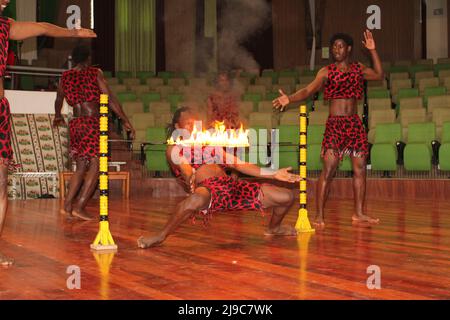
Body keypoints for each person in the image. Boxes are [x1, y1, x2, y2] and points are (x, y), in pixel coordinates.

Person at [0, 0, 96, 267]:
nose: (6, 1)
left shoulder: (5, 27)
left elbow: (42, 27)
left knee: (1, 181)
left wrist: (75, 33)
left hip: (0, 112)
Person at [137, 107, 301, 248]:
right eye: (188, 123)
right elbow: (184, 166)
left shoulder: (209, 146)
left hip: (233, 188)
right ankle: (161, 236)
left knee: (286, 196)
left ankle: (274, 228)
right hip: (209, 190)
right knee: (194, 201)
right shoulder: (174, 148)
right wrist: (190, 176)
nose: (193, 126)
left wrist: (274, 173)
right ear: (177, 126)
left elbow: (238, 165)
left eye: (195, 123)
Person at [273, 30, 383, 229]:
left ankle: (358, 213)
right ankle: (319, 214)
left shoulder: (358, 69)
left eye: (340, 46)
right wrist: (289, 98)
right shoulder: (326, 72)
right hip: (335, 126)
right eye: (334, 47)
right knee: (329, 170)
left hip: (354, 125)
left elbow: (379, 75)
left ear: (348, 49)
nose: (336, 50)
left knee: (360, 170)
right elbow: (307, 90)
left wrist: (373, 50)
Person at [54, 45, 135, 221]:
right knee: (97, 163)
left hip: (76, 124)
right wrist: (124, 120)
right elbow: (110, 99)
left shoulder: (65, 76)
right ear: (88, 58)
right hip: (92, 123)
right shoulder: (94, 73)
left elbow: (59, 99)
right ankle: (80, 206)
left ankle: (67, 206)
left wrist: (57, 116)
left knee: (81, 165)